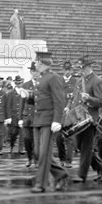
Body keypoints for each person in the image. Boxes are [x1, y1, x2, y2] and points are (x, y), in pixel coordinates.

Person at [30, 51, 69, 193]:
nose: (36, 64)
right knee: (38, 152)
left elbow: (59, 100)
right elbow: (40, 98)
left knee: (44, 153)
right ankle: (61, 174)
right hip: (38, 120)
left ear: (44, 64)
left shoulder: (53, 78)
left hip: (47, 121)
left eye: (38, 63)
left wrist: (57, 120)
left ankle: (40, 184)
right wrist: (28, 96)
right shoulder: (41, 78)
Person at [71, 57, 102, 184]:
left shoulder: (97, 81)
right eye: (80, 68)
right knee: (79, 145)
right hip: (79, 118)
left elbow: (101, 101)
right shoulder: (79, 81)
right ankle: (100, 167)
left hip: (90, 119)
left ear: (88, 67)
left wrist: (89, 99)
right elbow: (75, 99)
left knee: (86, 147)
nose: (81, 70)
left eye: (82, 68)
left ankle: (82, 175)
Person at [56, 61, 76, 168]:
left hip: (71, 114)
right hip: (60, 114)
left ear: (72, 70)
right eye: (65, 69)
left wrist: (70, 107)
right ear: (63, 70)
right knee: (59, 138)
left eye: (69, 69)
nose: (67, 71)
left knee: (69, 138)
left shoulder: (75, 81)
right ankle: (62, 158)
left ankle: (69, 161)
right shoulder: (58, 81)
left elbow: (76, 97)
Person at [20, 62, 38, 167]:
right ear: (31, 72)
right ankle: (29, 158)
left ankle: (36, 160)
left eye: (37, 71)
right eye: (33, 71)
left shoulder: (42, 84)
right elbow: (22, 102)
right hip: (27, 117)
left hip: (37, 117)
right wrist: (20, 118)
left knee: (36, 140)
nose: (35, 73)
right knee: (27, 139)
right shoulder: (26, 85)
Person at [8, 75, 24, 153]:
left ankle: (21, 148)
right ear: (15, 83)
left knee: (22, 133)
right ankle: (12, 146)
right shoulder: (11, 93)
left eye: (20, 83)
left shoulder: (25, 92)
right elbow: (8, 106)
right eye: (17, 83)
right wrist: (9, 117)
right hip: (13, 116)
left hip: (22, 116)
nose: (18, 84)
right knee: (13, 133)